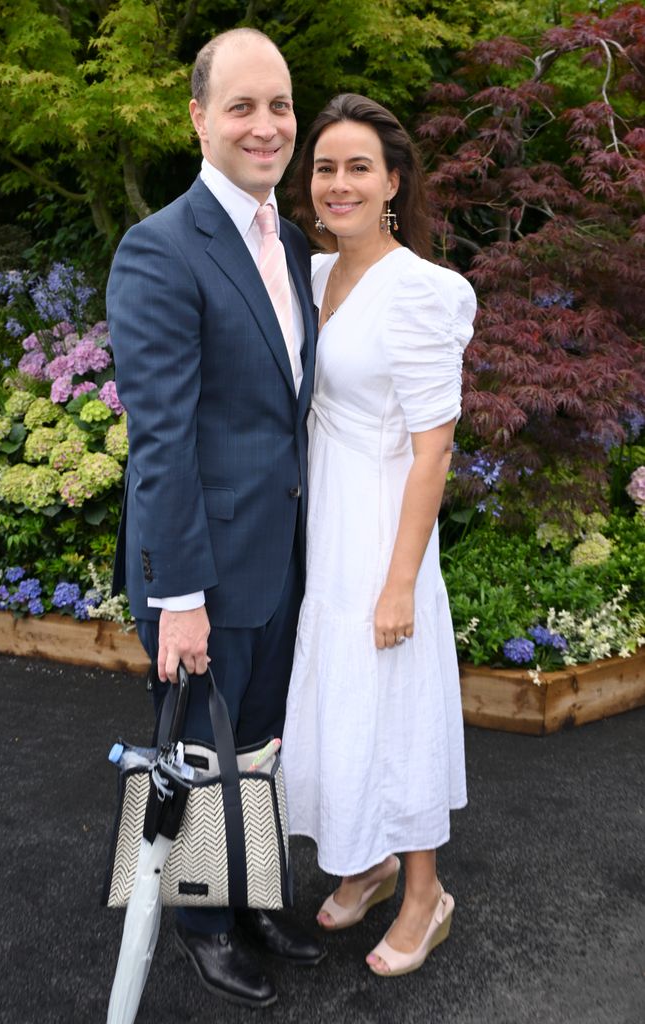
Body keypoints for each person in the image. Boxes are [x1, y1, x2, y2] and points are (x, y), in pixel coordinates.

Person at [106, 28, 323, 1010]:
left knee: (261, 741)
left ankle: (248, 893)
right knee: (200, 750)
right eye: (240, 105)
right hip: (204, 572)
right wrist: (177, 595)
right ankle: (200, 920)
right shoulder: (158, 250)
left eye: (277, 105)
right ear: (196, 118)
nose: (264, 125)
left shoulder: (292, 244)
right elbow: (161, 441)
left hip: (279, 556)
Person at [281, 93, 476, 977]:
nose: (339, 183)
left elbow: (434, 449)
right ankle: (365, 860)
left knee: (393, 701)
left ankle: (424, 893)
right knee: (335, 699)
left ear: (393, 181)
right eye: (325, 166)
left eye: (359, 166)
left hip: (385, 529)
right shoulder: (313, 276)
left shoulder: (423, 291)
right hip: (326, 521)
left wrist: (401, 581)